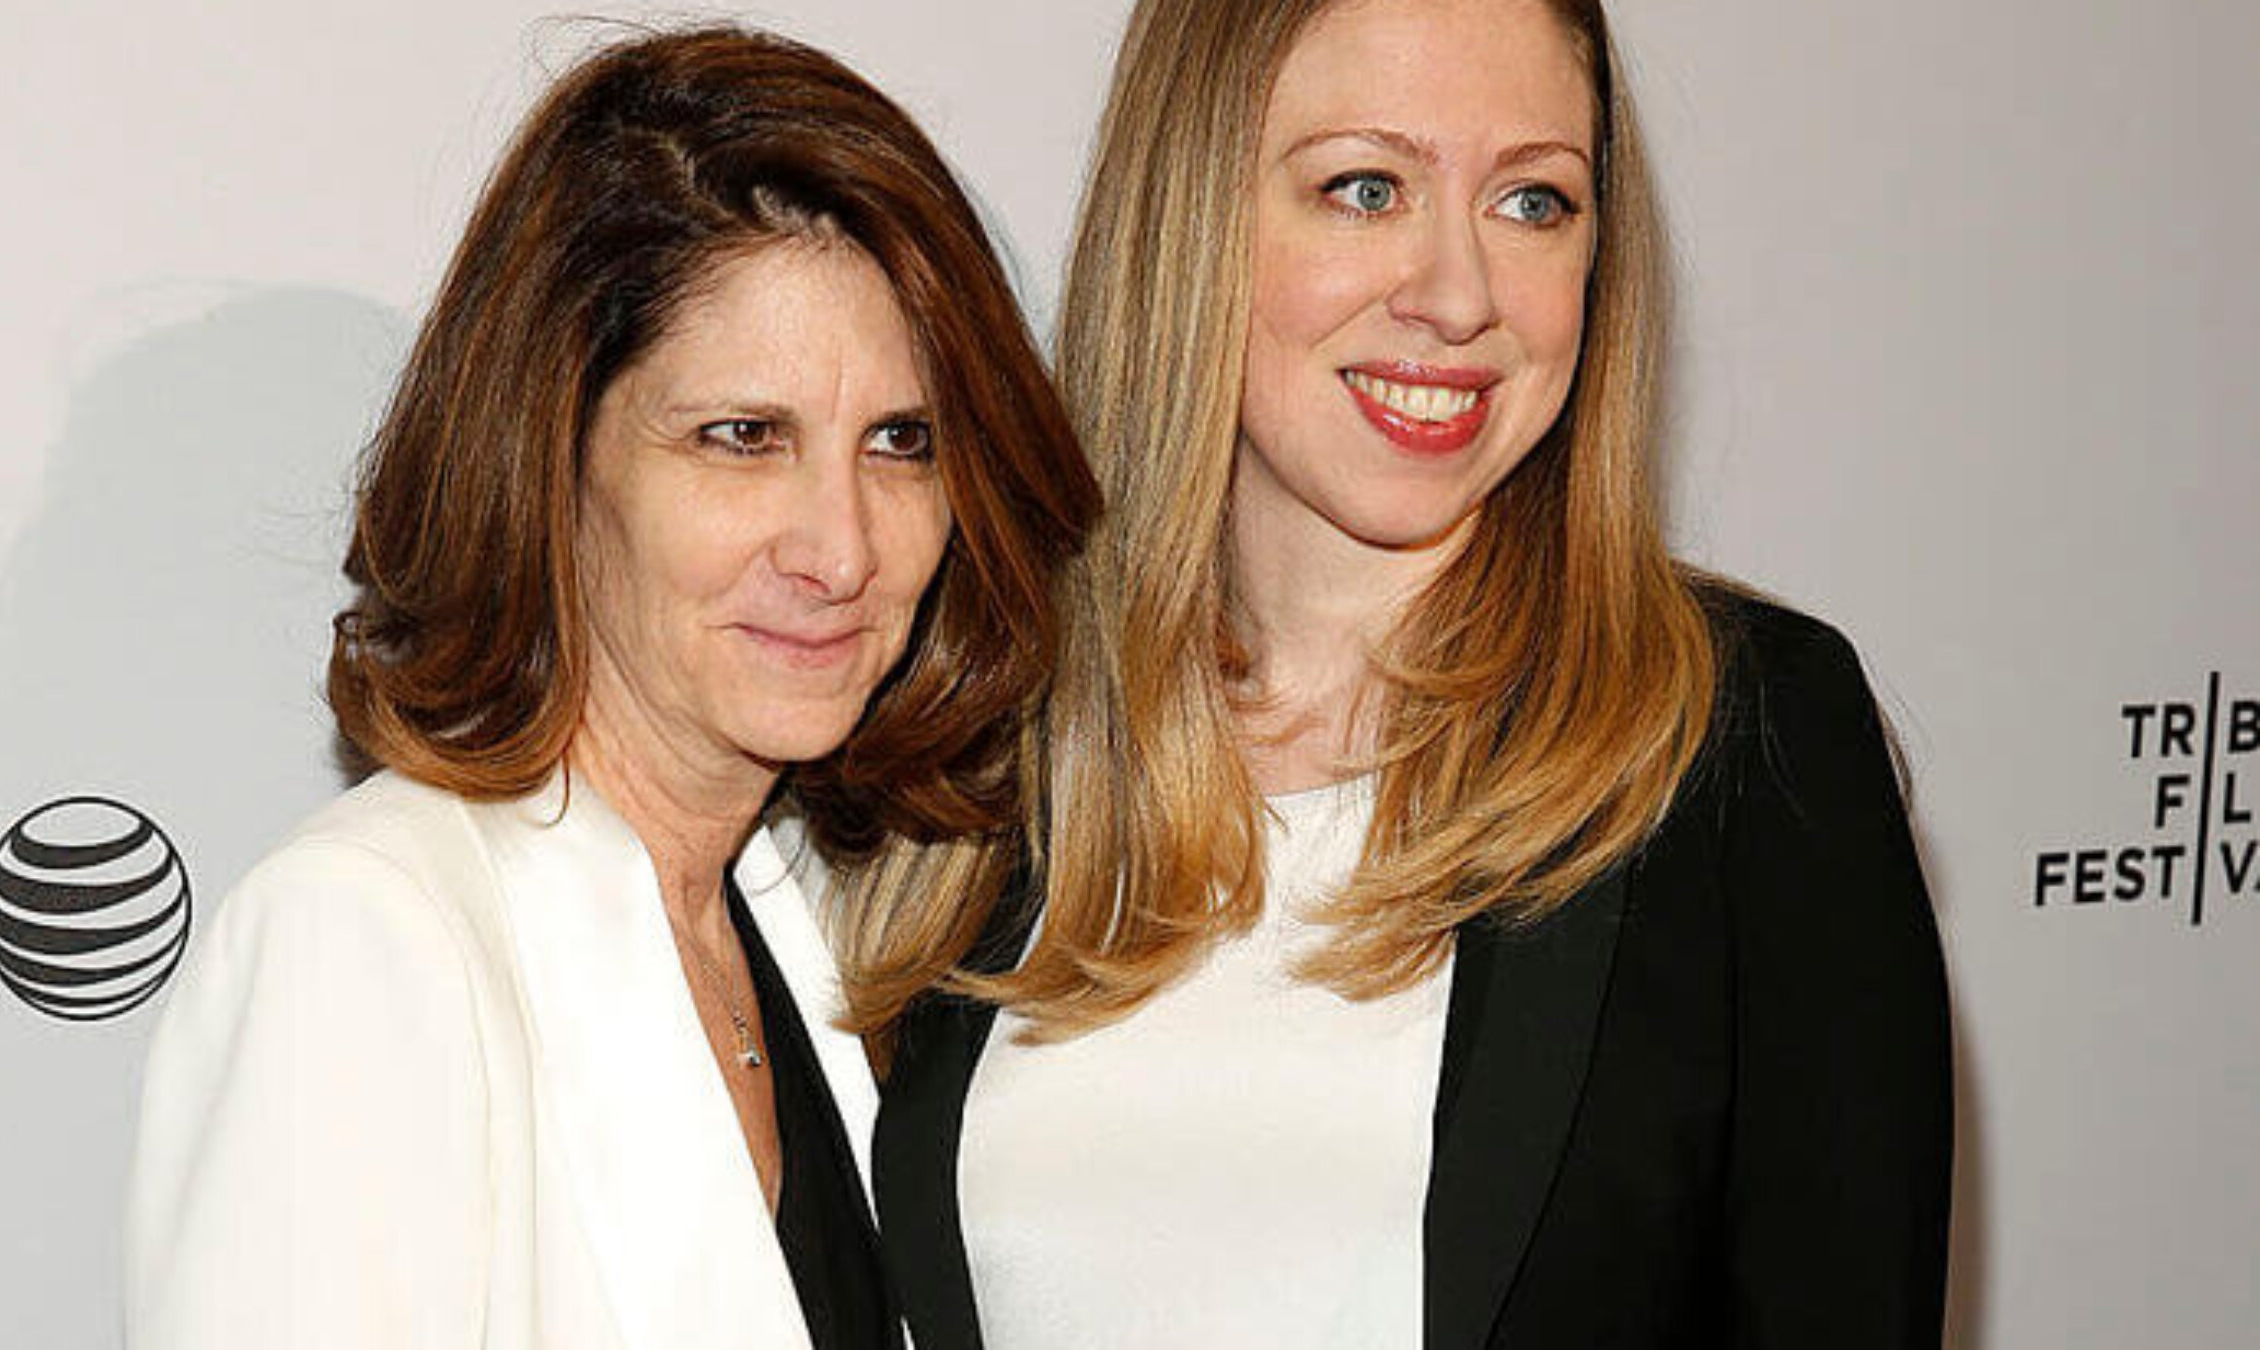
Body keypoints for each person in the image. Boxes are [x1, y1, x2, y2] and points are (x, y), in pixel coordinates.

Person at [850, 1, 1953, 1346]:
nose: (1459, 293)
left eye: (1535, 202)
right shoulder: (985, 723)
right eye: (1365, 188)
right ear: (1190, 213)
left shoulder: (1747, 747)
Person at [123, 25, 1097, 1349]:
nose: (844, 546)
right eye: (741, 438)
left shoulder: (786, 934)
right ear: (552, 451)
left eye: (900, 442)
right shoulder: (364, 940)